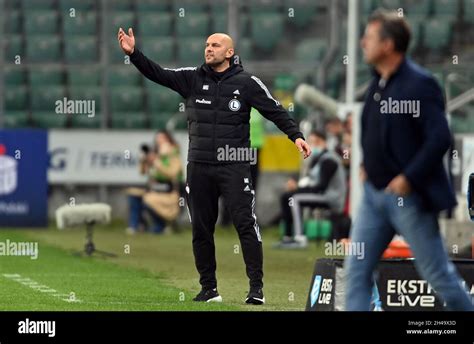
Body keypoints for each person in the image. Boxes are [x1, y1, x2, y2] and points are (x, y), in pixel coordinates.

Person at [118, 29, 311, 304]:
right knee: (201, 228)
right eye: (207, 44)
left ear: (229, 52)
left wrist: (297, 136)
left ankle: (256, 289)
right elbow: (158, 73)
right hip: (199, 166)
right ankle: (209, 289)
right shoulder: (191, 78)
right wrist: (134, 54)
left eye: (215, 45)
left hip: (234, 164)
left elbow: (275, 110)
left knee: (245, 224)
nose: (208, 48)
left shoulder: (247, 83)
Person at [345, 10, 473, 311]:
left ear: (388, 45)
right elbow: (373, 129)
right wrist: (366, 166)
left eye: (370, 37)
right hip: (374, 196)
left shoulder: (420, 84)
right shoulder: (378, 83)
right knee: (356, 272)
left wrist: (408, 178)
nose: (363, 42)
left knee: (438, 275)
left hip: (409, 198)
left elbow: (440, 137)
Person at [277, 130, 346, 248]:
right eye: (311, 142)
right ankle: (287, 237)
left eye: (316, 142)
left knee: (295, 198)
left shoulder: (329, 159)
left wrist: (298, 189)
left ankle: (300, 238)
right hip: (321, 194)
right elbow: (312, 183)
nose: (313, 145)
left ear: (324, 142)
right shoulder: (318, 158)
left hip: (331, 197)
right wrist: (297, 187)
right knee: (286, 196)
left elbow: (321, 187)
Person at [125, 130, 182, 235]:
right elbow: (143, 172)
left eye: (162, 138)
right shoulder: (154, 153)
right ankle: (135, 226)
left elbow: (173, 173)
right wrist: (143, 160)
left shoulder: (173, 154)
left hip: (168, 192)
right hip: (153, 189)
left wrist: (156, 162)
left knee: (148, 200)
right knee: (133, 195)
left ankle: (161, 226)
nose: (159, 141)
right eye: (158, 138)